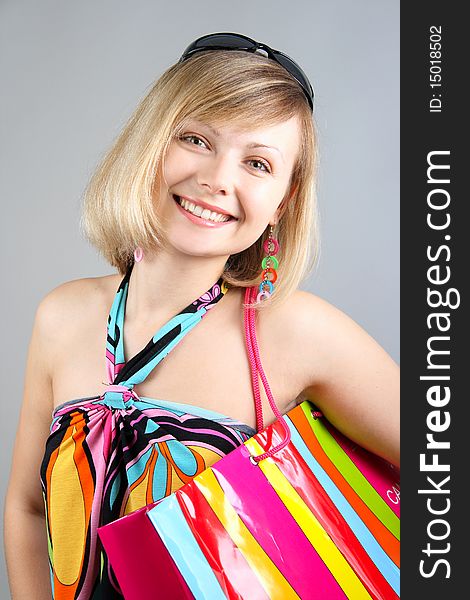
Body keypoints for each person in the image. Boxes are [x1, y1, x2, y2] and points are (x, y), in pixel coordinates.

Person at [3, 32, 399, 599]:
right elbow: (25, 507)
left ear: (283, 200)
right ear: (151, 144)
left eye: (258, 163)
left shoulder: (294, 333)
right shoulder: (61, 317)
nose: (218, 178)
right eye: (195, 139)